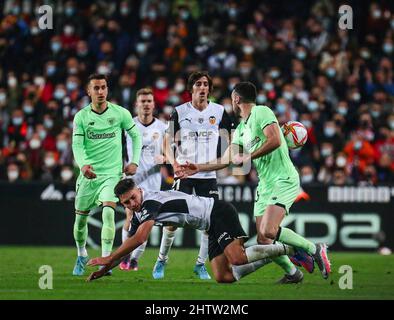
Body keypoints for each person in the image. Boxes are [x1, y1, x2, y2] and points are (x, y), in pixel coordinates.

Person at [179, 82, 331, 283]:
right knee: (264, 240)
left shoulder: (262, 112)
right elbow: (226, 160)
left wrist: (249, 155)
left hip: (283, 178)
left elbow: (275, 139)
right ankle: (293, 273)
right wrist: (198, 167)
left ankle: (314, 248)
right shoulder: (241, 129)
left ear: (236, 99)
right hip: (265, 184)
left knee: (269, 230)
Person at [86, 179, 309, 283]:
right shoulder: (138, 213)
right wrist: (106, 268)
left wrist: (109, 256)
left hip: (217, 213)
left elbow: (141, 238)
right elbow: (130, 245)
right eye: (126, 203)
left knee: (237, 258)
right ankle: (282, 252)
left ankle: (290, 248)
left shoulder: (150, 203)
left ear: (139, 191)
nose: (132, 204)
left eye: (133, 198)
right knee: (224, 277)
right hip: (209, 225)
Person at [153, 71, 234, 280]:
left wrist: (222, 161)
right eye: (198, 84)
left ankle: (200, 264)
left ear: (209, 89)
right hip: (184, 174)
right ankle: (161, 260)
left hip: (208, 175)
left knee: (210, 223)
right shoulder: (179, 112)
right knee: (174, 220)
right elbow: (166, 142)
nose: (203, 88)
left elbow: (228, 144)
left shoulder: (220, 111)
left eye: (206, 84)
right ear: (191, 88)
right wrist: (174, 163)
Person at [71, 74, 142, 276]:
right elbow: (76, 144)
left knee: (109, 212)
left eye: (103, 87)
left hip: (112, 173)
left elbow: (136, 136)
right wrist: (83, 165)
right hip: (89, 175)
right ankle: (81, 253)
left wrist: (134, 161)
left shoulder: (120, 113)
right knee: (80, 223)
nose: (100, 91)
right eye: (96, 88)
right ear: (89, 91)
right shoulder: (81, 117)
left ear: (107, 90)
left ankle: (106, 260)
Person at [119, 88, 167, 271]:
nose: (146, 104)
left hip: (153, 181)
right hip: (133, 179)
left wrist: (165, 159)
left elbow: (171, 154)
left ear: (154, 105)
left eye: (149, 101)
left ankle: (134, 259)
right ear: (136, 104)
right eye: (143, 101)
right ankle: (125, 256)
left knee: (148, 221)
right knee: (130, 216)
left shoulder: (162, 127)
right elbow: (117, 148)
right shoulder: (129, 125)